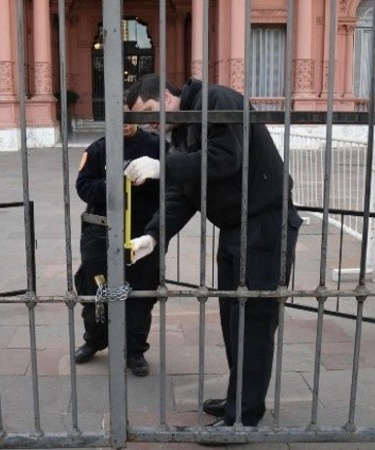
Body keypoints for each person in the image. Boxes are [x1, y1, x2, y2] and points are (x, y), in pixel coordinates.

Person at [123, 74, 302, 426]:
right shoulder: (181, 128)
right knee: (233, 320)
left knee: (252, 321)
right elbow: (183, 192)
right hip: (236, 228)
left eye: (149, 113)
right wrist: (154, 235)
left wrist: (163, 166)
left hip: (266, 224)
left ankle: (244, 417)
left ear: (166, 95)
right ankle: (240, 397)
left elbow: (225, 158)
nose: (149, 125)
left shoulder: (216, 101)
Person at [73, 121, 161, 377]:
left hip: (143, 233)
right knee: (96, 290)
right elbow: (83, 187)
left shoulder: (155, 146)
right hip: (100, 231)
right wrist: (114, 184)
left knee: (141, 291)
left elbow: (173, 183)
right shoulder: (98, 148)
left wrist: (148, 178)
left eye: (128, 114)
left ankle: (135, 350)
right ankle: (94, 340)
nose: (122, 122)